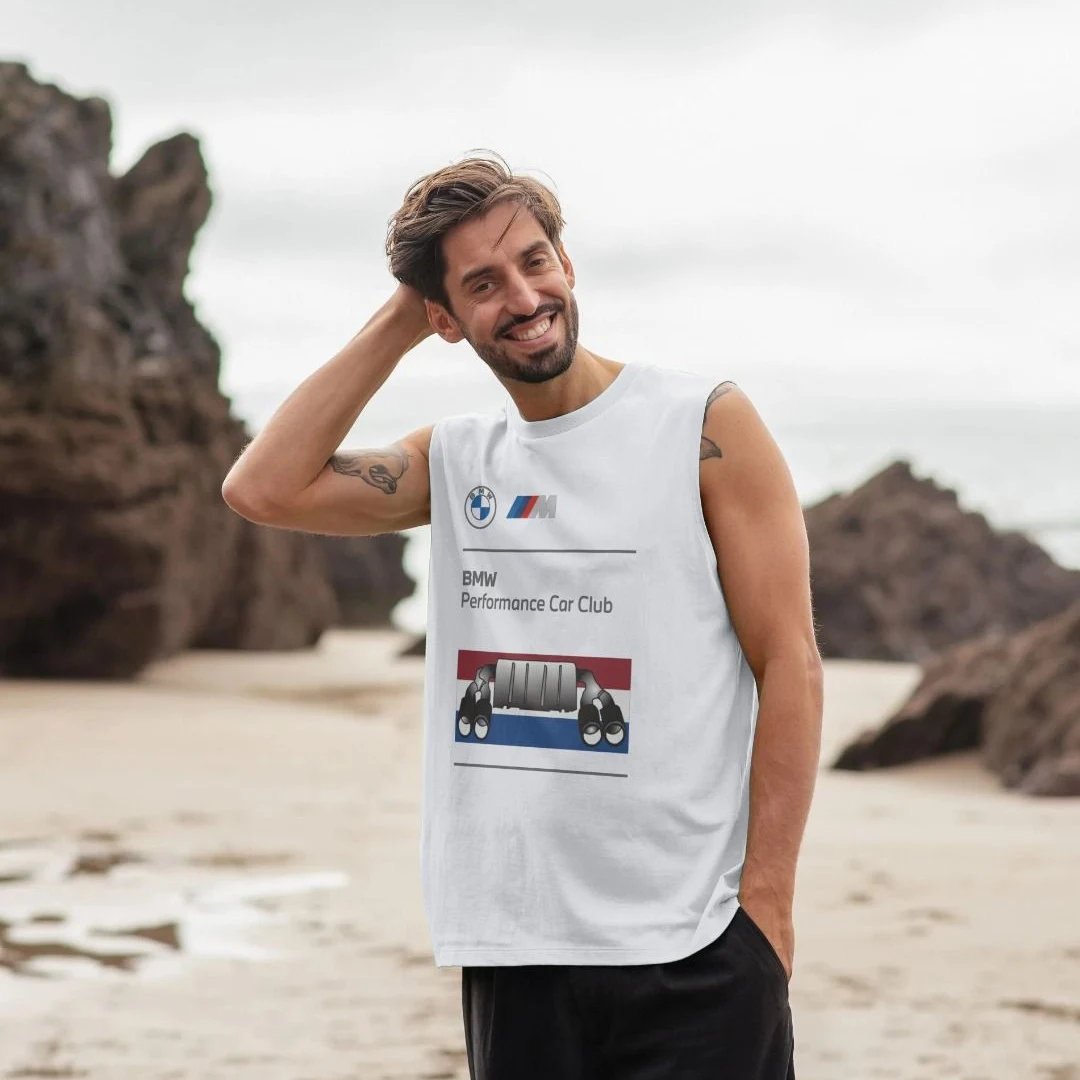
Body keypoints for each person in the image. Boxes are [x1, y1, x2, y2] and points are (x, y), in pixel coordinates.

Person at [222, 153, 823, 1080]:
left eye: (536, 261)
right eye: (482, 284)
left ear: (567, 263)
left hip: (695, 943)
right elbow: (262, 487)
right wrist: (403, 312)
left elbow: (789, 661)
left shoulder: (701, 424)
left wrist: (768, 907)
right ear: (445, 318)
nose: (525, 296)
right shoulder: (457, 461)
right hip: (514, 946)